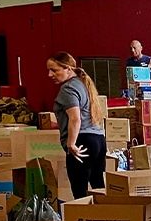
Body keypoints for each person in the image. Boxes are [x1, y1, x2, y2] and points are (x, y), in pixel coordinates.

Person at [45, 52, 107, 199]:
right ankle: (107, 219)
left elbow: (75, 119)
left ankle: (82, 220)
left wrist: (71, 144)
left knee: (80, 192)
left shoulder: (68, 89)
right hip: (98, 140)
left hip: (82, 142)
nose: (50, 74)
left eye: (54, 70)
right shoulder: (83, 84)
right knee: (99, 187)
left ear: (68, 69)